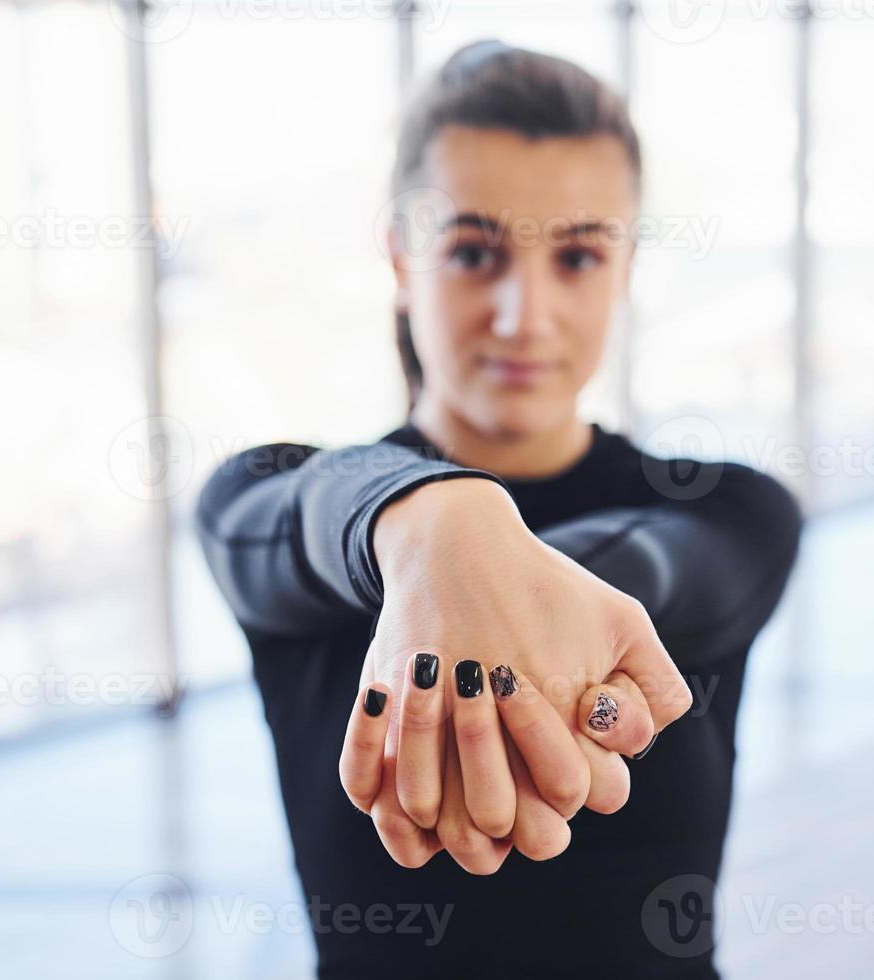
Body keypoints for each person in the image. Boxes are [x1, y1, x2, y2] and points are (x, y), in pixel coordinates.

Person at [198, 39, 801, 979]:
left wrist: (469, 560)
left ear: (627, 267)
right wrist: (429, 523)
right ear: (401, 256)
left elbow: (653, 567)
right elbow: (295, 517)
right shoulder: (271, 494)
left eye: (578, 256)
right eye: (475, 251)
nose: (526, 314)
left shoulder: (731, 513)